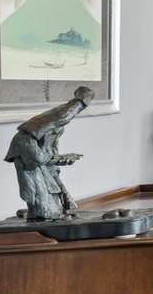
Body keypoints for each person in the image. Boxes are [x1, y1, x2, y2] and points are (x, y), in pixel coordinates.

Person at [5, 85, 95, 220]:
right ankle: (40, 211)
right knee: (37, 190)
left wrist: (64, 193)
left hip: (40, 171)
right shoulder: (24, 139)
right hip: (32, 171)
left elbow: (51, 165)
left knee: (50, 191)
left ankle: (43, 211)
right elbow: (39, 159)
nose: (55, 132)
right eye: (53, 129)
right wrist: (61, 158)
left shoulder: (53, 133)